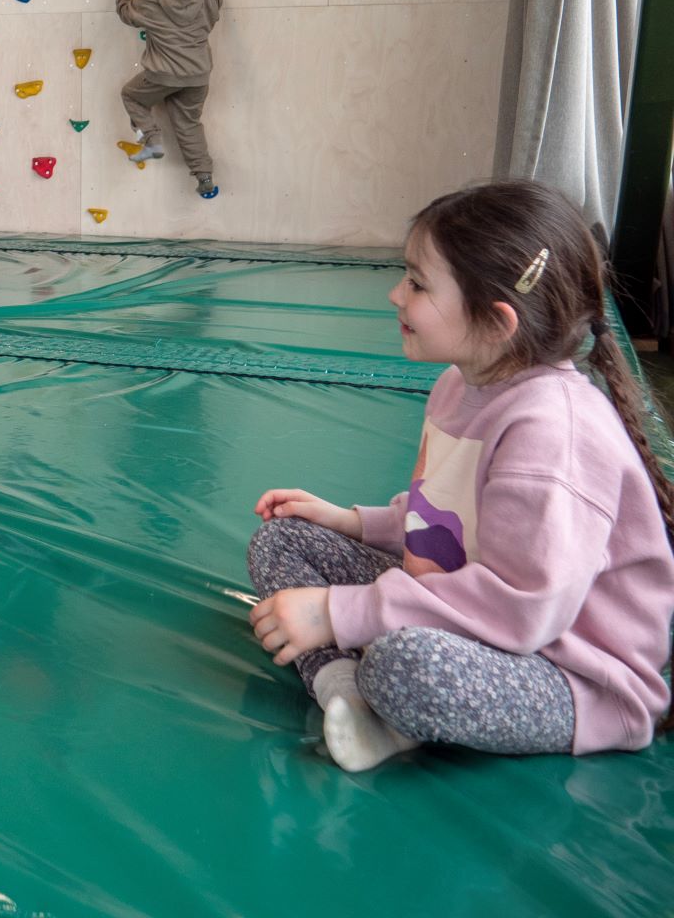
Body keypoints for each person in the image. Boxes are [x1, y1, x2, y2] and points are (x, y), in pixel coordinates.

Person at [247, 180, 674, 770]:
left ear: (498, 322)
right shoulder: (459, 384)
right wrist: (353, 522)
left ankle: (381, 698)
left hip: (563, 667)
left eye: (418, 283)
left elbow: (523, 612)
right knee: (284, 540)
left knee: (406, 666)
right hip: (472, 613)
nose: (397, 295)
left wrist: (338, 613)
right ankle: (346, 693)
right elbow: (447, 515)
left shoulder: (554, 430)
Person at [114, 0, 222, 199]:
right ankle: (204, 176)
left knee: (131, 95)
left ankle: (151, 139)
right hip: (198, 74)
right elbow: (217, 3)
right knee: (189, 124)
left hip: (162, 74)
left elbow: (127, 15)